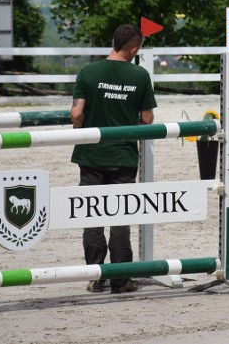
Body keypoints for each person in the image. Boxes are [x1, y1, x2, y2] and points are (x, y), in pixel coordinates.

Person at [71, 24, 157, 294]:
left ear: (113, 41)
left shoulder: (88, 71)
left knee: (92, 214)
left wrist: (82, 130)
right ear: (134, 48)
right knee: (120, 216)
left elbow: (76, 114)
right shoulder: (140, 75)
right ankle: (121, 279)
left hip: (91, 153)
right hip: (123, 155)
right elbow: (147, 119)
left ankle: (95, 275)